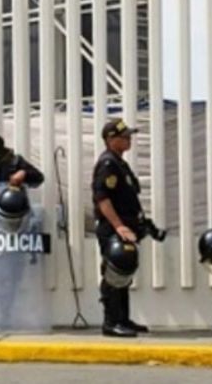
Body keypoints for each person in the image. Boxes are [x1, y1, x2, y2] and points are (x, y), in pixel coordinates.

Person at [92, 119, 151, 338]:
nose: (128, 139)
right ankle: (110, 322)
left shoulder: (119, 163)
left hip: (125, 226)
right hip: (112, 228)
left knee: (124, 273)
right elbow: (102, 199)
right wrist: (119, 226)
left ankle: (123, 319)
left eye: (129, 135)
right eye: (124, 136)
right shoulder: (108, 164)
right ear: (110, 139)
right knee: (113, 272)